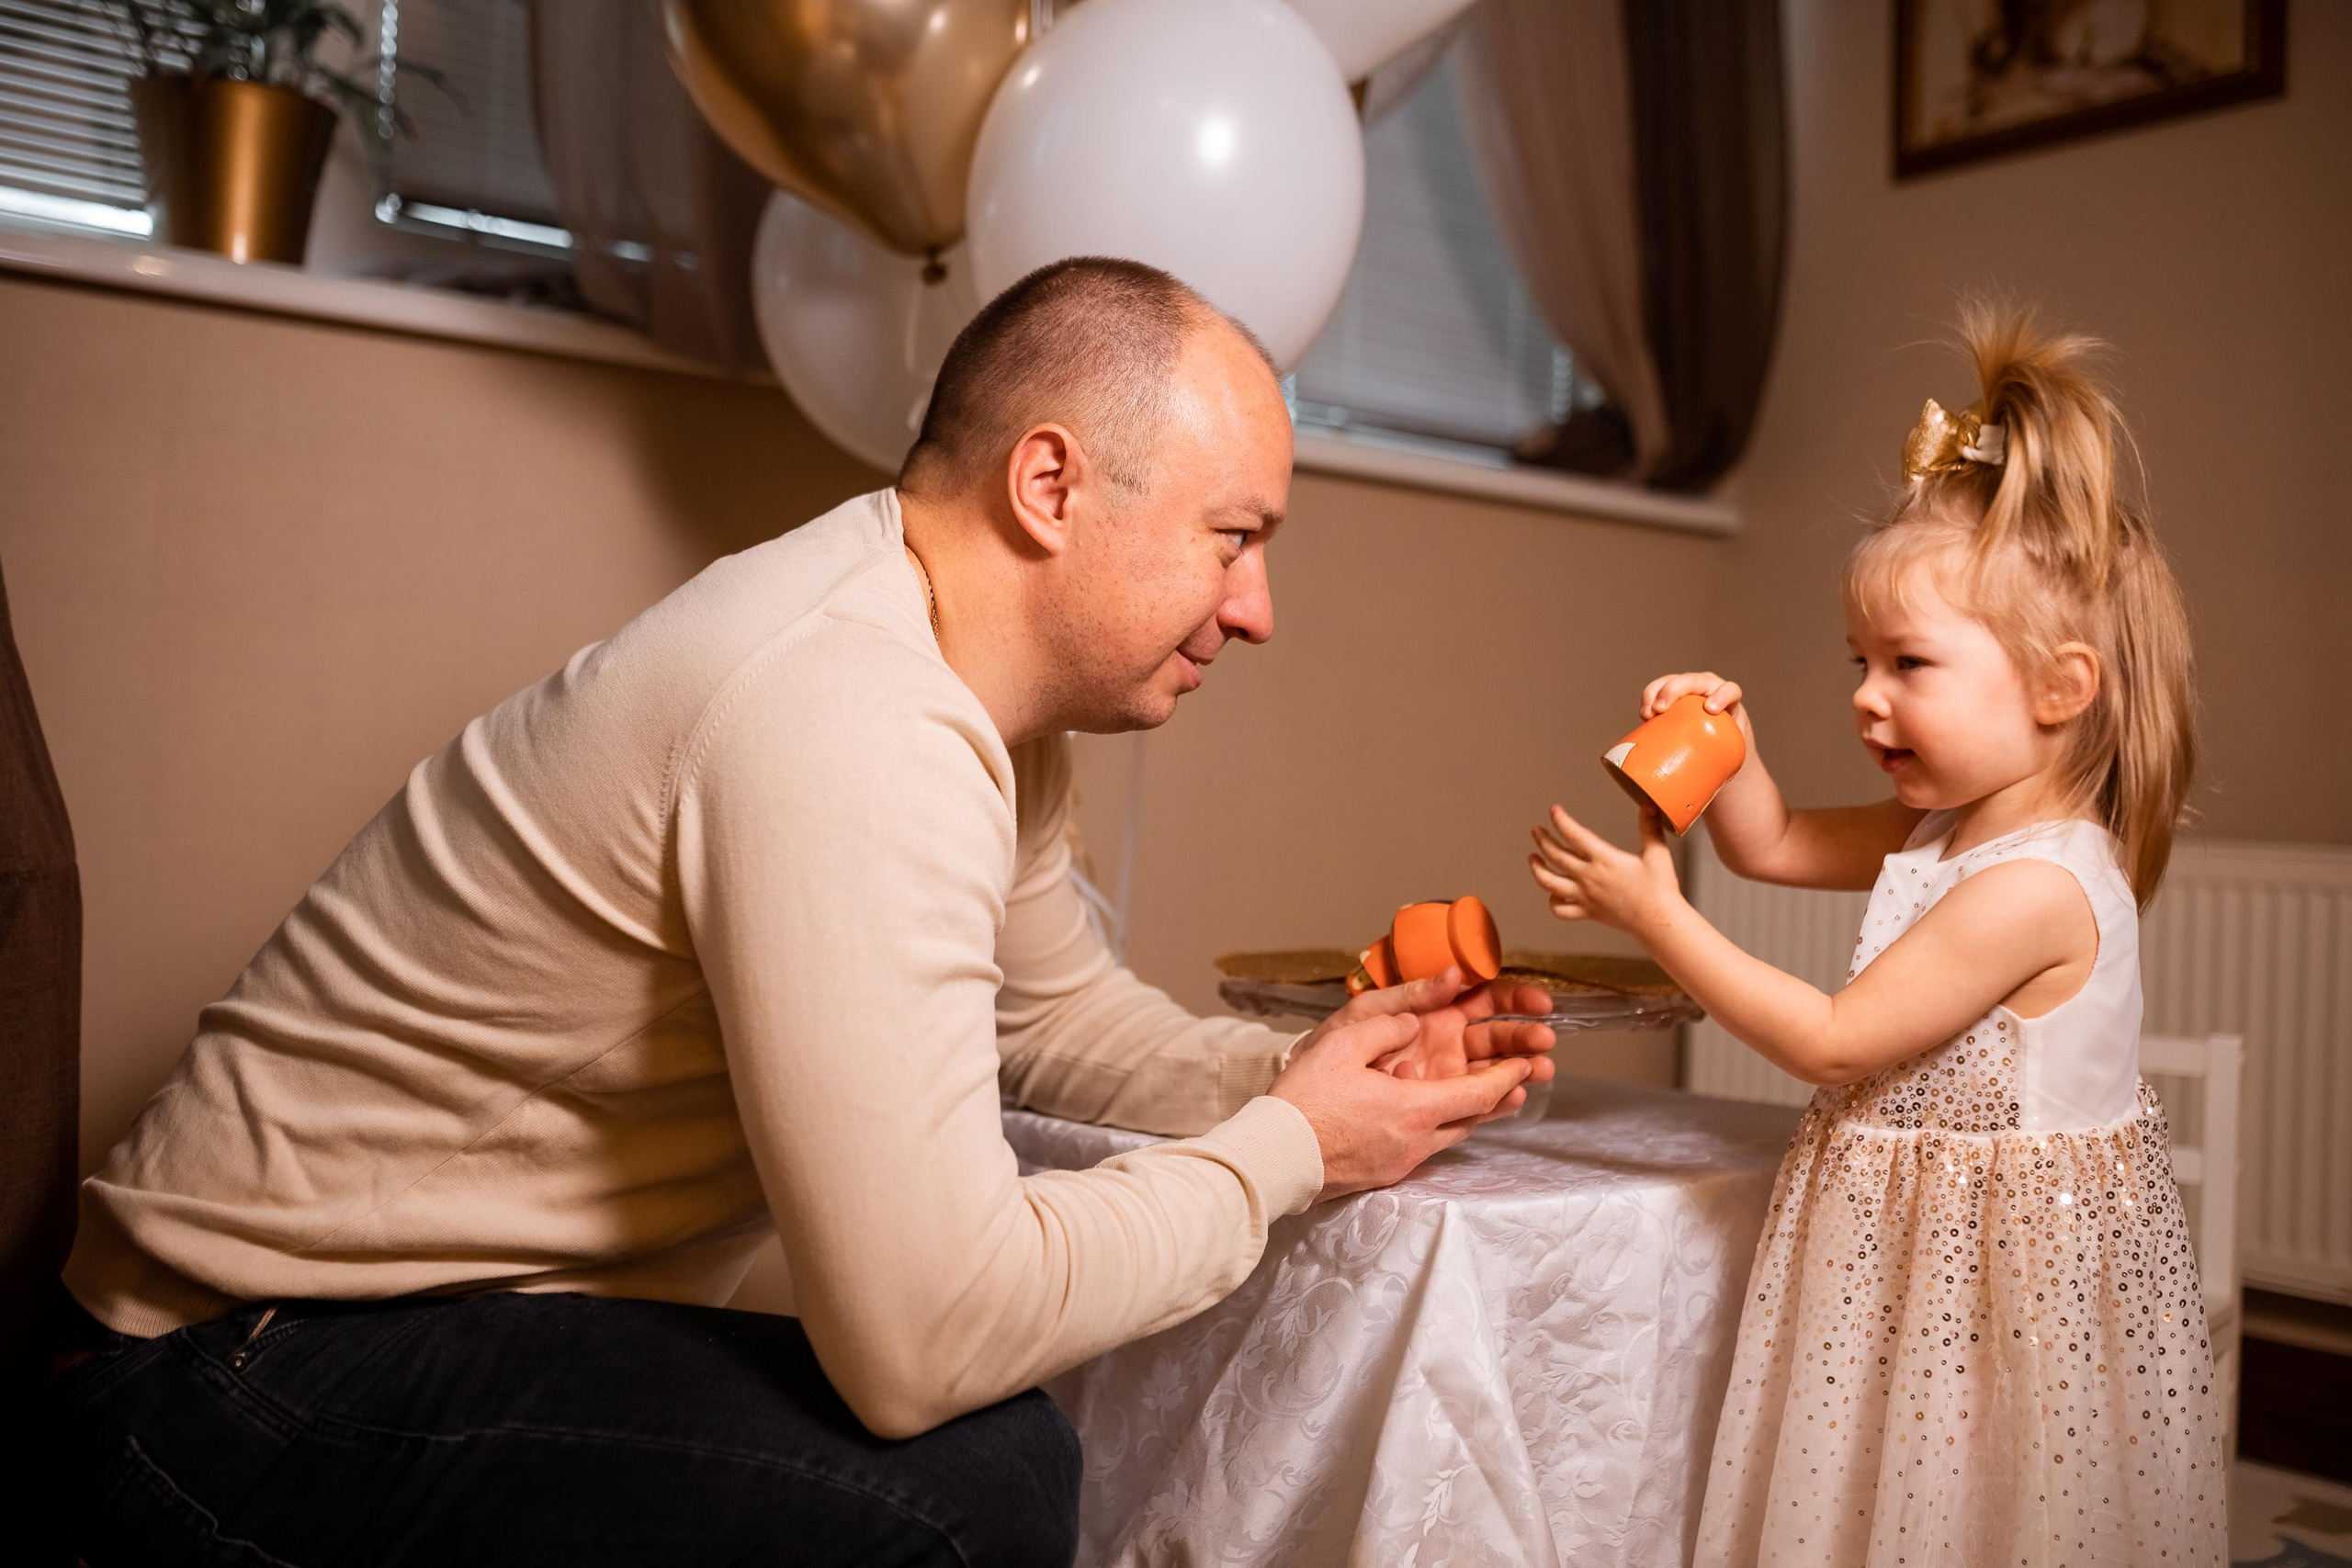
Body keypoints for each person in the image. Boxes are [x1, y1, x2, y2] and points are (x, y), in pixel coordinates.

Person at [47, 256, 1556, 1567]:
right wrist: (1290, 1151)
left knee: (985, 1450)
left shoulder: (964, 685)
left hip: (382, 1323)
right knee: (975, 1488)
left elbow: (1053, 1022)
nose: (1257, 608)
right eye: (1234, 536)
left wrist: (1314, 1076)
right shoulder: (846, 714)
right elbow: (927, 1339)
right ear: (1050, 487)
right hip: (218, 1374)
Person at [1528, 304, 2226, 1564]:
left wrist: (1657, 917)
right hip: (1904, 1259)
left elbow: (1836, 1042)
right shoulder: (1943, 826)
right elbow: (1774, 843)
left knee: (1969, 1517)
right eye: (1858, 661)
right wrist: (1732, 754)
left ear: (2061, 687)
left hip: (1993, 1295)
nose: (1864, 697)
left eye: (1909, 664)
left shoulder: (2039, 885)